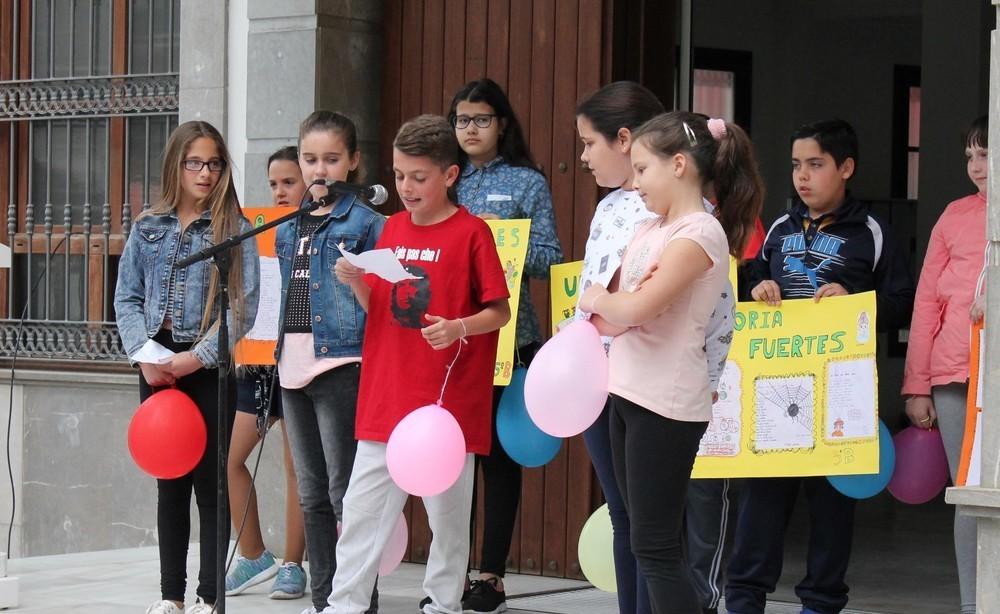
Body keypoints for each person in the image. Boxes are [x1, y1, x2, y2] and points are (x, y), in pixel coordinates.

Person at [575, 82, 753, 614]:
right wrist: (612, 305)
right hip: (626, 390)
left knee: (654, 545)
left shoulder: (701, 232)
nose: (635, 182)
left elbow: (630, 307)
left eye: (643, 170)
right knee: (641, 538)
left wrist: (605, 302)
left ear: (678, 165)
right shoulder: (655, 227)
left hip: (664, 401)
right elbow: (616, 311)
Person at [728, 119, 915, 614]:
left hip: (840, 392)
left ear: (846, 168)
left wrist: (855, 299)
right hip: (774, 389)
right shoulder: (778, 230)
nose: (802, 176)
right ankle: (745, 599)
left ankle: (822, 602)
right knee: (762, 502)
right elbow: (749, 278)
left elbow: (901, 303)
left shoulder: (873, 233)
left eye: (815, 164)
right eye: (795, 165)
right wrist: (757, 286)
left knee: (832, 506)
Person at [327, 114, 511, 614]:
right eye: (398, 175)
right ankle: (344, 604)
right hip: (386, 394)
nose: (405, 187)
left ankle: (443, 603)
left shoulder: (473, 233)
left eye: (418, 177)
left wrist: (457, 328)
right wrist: (358, 281)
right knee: (361, 512)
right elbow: (382, 312)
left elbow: (500, 311)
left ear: (450, 175)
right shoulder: (389, 229)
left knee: (448, 518)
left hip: (445, 404)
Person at [115, 120, 260, 614]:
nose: (205, 172)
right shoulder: (147, 227)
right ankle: (169, 596)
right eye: (194, 162)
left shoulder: (233, 229)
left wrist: (196, 356)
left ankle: (208, 596)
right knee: (169, 481)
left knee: (210, 484)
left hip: (206, 366)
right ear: (175, 165)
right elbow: (127, 297)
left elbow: (244, 305)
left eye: (214, 163)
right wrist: (144, 354)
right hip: (156, 365)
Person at [449, 77, 563, 614]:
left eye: (481, 119)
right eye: (462, 120)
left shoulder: (526, 183)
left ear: (502, 124)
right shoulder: (443, 180)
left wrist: (501, 234)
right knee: (452, 458)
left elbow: (547, 257)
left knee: (497, 459)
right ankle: (449, 571)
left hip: (509, 337)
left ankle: (490, 574)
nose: (470, 129)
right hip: (446, 337)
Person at [272, 111, 385, 614]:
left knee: (345, 493)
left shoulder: (366, 222)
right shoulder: (288, 224)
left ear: (354, 161)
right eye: (311, 158)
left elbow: (383, 304)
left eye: (332, 159)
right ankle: (323, 602)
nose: (321, 169)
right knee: (312, 495)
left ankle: (359, 599)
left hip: (342, 364)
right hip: (291, 368)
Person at [902, 114, 988, 614]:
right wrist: (917, 385)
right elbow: (926, 301)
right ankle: (973, 606)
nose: (976, 167)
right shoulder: (954, 215)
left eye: (986, 154)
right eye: (970, 156)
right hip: (954, 374)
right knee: (967, 492)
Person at [225, 145, 308, 600]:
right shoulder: (257, 231)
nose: (279, 191)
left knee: (297, 467)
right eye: (274, 183)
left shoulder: (320, 230)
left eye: (288, 182)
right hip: (258, 364)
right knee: (233, 458)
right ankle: (254, 554)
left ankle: (294, 564)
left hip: (301, 361)